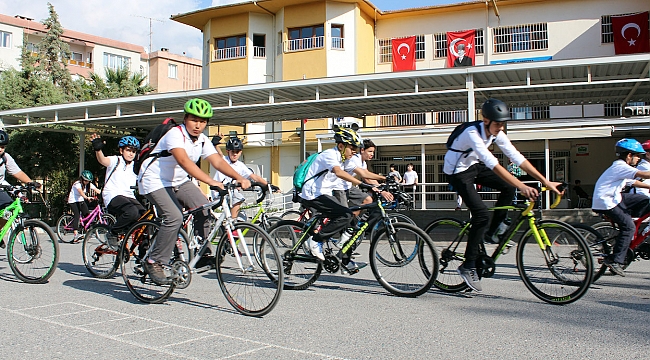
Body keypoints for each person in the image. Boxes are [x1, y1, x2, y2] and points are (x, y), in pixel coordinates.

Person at [443, 98, 561, 292]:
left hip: (473, 165)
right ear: (486, 120)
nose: (501, 127)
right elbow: (494, 165)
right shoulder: (473, 133)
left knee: (509, 187)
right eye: (497, 124)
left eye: (503, 123)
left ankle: (493, 232)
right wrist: (523, 186)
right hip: (457, 172)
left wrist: (545, 181)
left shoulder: (497, 132)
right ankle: (468, 265)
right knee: (481, 214)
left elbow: (517, 157)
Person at [138, 98, 251, 285]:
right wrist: (211, 181)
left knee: (205, 208)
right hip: (154, 180)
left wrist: (239, 177)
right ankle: (154, 261)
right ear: (185, 119)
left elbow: (218, 161)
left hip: (179, 181)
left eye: (203, 121)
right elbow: (184, 162)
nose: (198, 125)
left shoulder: (202, 140)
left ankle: (203, 253)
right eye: (194, 120)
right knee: (174, 217)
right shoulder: (175, 134)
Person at [298, 127, 375, 264]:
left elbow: (363, 172)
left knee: (348, 217)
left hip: (325, 193)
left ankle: (343, 258)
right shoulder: (330, 155)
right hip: (313, 193)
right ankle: (316, 241)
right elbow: (338, 172)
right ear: (340, 146)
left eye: (356, 149)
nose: (354, 152)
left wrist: (384, 179)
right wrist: (361, 184)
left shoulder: (344, 158)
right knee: (345, 215)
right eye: (352, 148)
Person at [333, 138, 394, 273]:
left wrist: (381, 188)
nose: (372, 154)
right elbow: (364, 175)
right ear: (362, 150)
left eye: (373, 152)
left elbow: (368, 179)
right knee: (346, 215)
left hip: (349, 187)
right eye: (370, 151)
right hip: (339, 187)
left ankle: (351, 228)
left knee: (367, 199)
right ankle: (346, 231)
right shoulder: (354, 159)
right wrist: (383, 180)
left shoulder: (363, 162)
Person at [592, 139, 650, 276]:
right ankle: (615, 260)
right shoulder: (620, 167)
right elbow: (644, 175)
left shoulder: (621, 168)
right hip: (606, 202)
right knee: (628, 226)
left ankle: (633, 222)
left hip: (616, 197)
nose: (638, 159)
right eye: (637, 156)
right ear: (629, 155)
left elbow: (634, 182)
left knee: (645, 201)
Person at [90, 134, 145, 245]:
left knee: (146, 217)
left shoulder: (135, 166)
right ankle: (113, 233)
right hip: (112, 195)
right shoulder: (116, 160)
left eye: (134, 151)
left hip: (129, 197)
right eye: (128, 150)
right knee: (132, 211)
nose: (131, 154)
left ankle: (144, 253)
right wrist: (98, 149)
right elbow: (103, 160)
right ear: (121, 150)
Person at [212, 136, 277, 220]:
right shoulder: (224, 160)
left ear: (241, 152)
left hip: (230, 193)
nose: (235, 154)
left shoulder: (240, 165)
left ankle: (234, 227)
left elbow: (255, 177)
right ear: (228, 151)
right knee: (238, 198)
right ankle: (232, 226)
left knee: (243, 217)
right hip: (219, 192)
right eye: (232, 152)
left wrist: (269, 185)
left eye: (237, 152)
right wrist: (215, 143)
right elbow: (219, 154)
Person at [0, 130, 40, 247]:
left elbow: (17, 172)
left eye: (2, 147)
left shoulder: (5, 158)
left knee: (10, 208)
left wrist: (30, 182)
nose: (0, 149)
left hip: (1, 186)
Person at [67, 170, 100, 242]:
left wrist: (103, 193)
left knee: (87, 214)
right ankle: (76, 235)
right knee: (77, 215)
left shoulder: (89, 184)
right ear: (82, 179)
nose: (87, 182)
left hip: (80, 200)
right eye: (85, 180)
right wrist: (86, 197)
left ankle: (87, 232)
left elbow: (97, 190)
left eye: (88, 181)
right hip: (73, 201)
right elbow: (80, 192)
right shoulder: (77, 184)